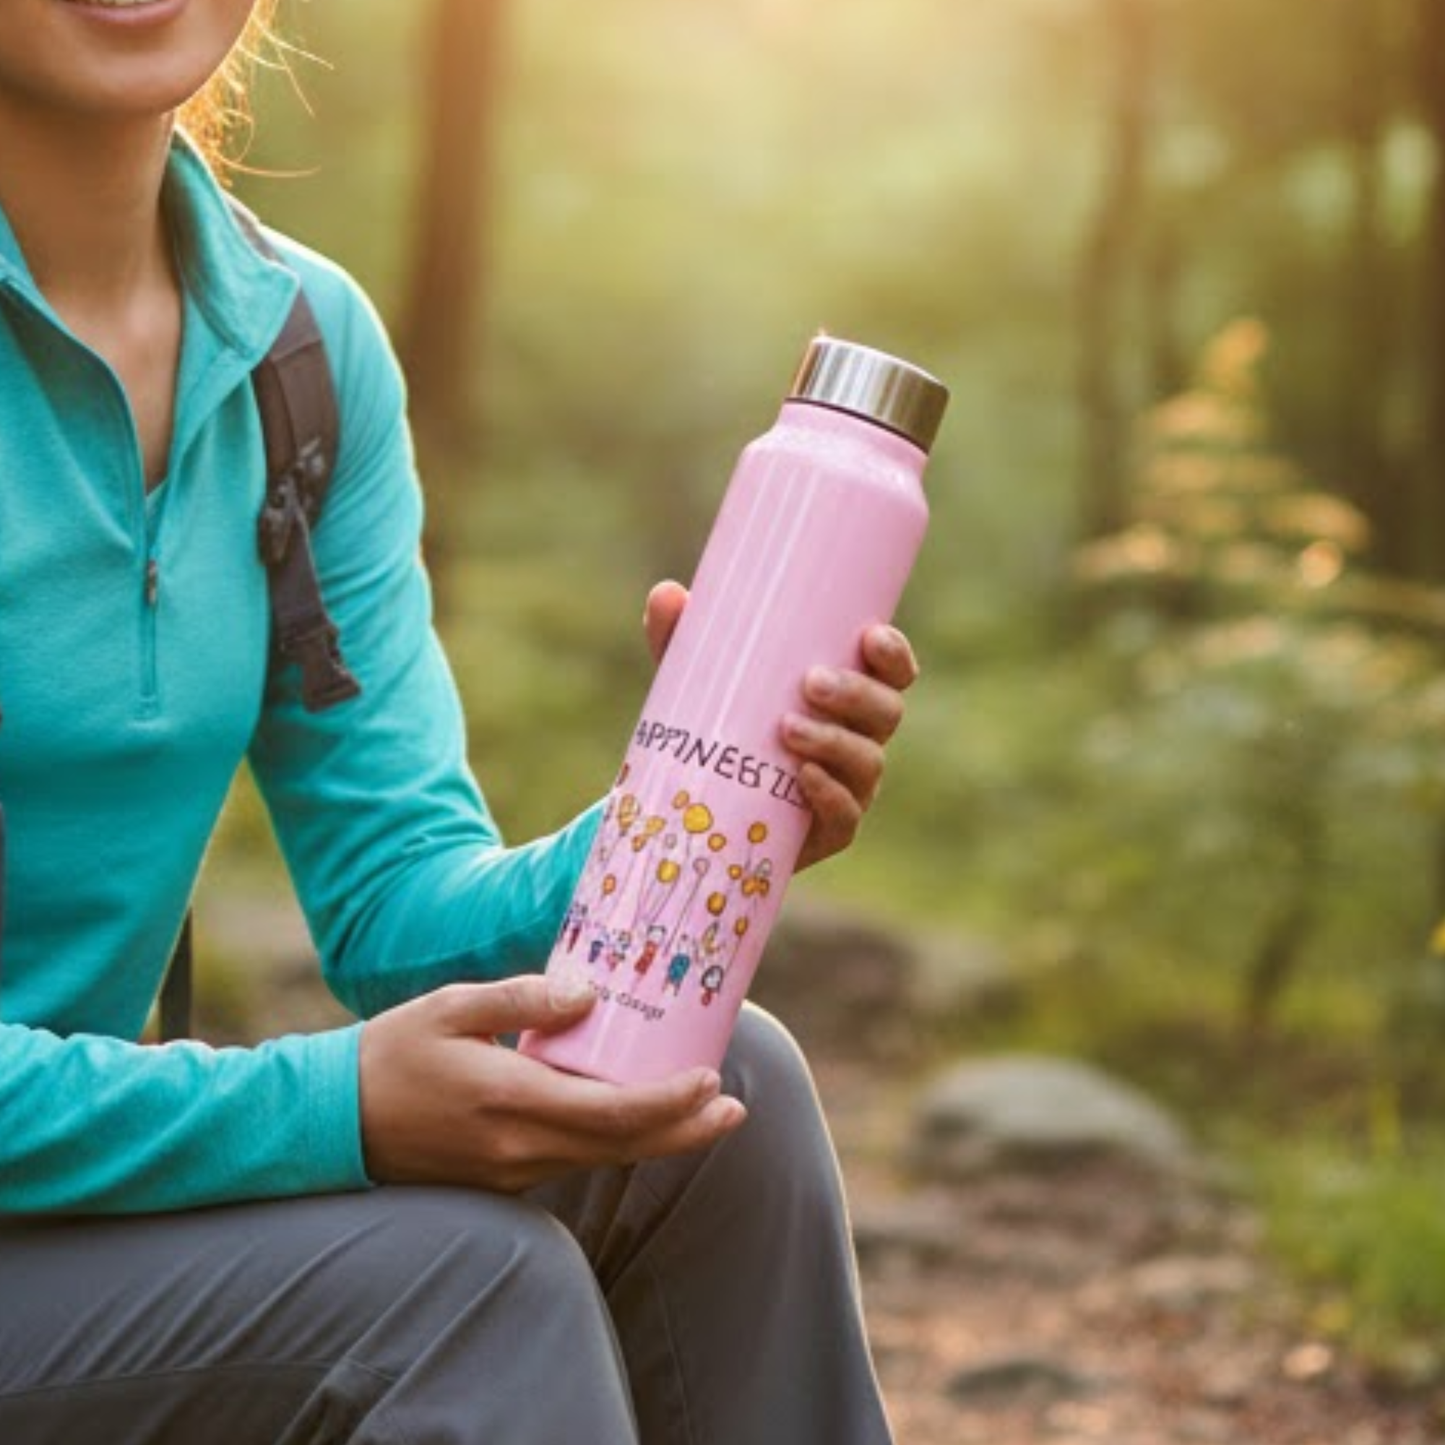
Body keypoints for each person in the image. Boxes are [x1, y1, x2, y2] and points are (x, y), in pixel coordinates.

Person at [0, 3, 920, 1441]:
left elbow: (396, 907)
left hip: (69, 1206)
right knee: (468, 1290)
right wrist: (332, 1110)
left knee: (718, 1090)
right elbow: (352, 1085)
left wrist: (704, 812)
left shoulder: (296, 350)